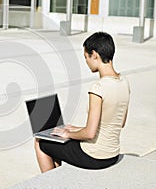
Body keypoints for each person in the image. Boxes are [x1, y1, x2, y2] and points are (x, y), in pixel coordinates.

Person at [34, 32, 130, 172]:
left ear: (94, 55)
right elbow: (119, 123)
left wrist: (68, 134)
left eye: (86, 57)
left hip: (94, 156)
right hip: (112, 154)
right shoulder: (124, 83)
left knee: (40, 143)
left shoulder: (98, 88)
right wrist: (76, 129)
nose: (86, 62)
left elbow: (90, 134)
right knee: (56, 141)